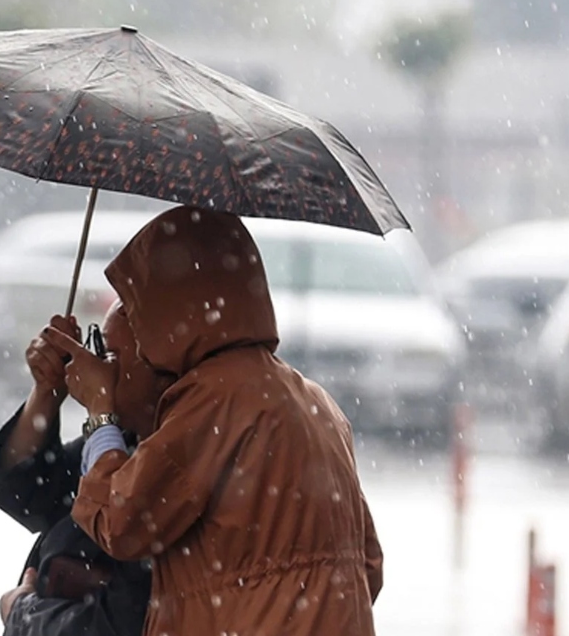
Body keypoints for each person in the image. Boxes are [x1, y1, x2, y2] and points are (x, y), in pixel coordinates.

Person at [42, 205, 384, 636]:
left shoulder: (212, 401)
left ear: (168, 313)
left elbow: (121, 522)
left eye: (139, 307)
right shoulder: (313, 401)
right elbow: (368, 564)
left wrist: (99, 412)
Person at [0, 303, 173, 636]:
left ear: (162, 370)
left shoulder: (172, 467)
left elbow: (114, 625)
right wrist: (46, 393)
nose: (94, 367)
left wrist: (22, 613)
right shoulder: (130, 439)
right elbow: (21, 489)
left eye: (108, 355)